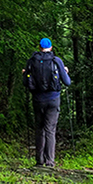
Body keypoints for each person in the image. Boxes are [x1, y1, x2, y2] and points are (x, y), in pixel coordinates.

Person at [24, 37, 72, 168]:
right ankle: (50, 161)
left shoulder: (32, 61)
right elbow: (67, 82)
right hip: (53, 99)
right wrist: (65, 71)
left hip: (37, 99)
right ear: (51, 48)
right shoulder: (56, 61)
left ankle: (40, 161)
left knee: (39, 129)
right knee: (50, 129)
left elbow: (25, 82)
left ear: (39, 47)